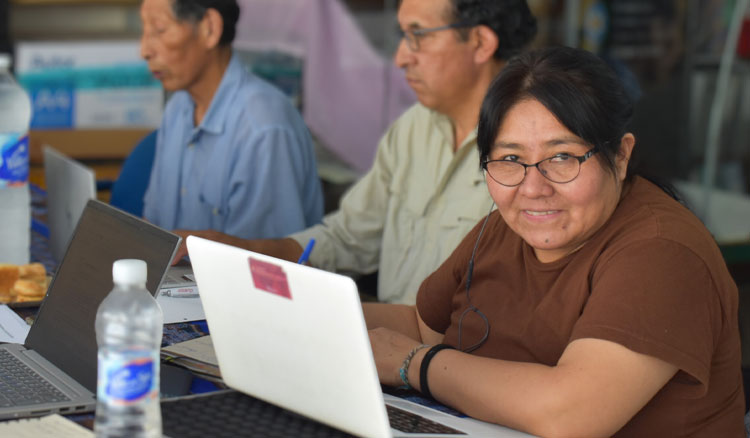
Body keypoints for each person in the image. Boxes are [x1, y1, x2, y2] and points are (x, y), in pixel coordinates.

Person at [365, 46, 745, 437]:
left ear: (620, 156)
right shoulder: (504, 228)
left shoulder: (664, 253)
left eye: (562, 157)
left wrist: (414, 364)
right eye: (510, 159)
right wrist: (313, 313)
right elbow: (422, 325)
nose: (533, 188)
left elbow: (570, 414)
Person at [172, 0, 538, 304]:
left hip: (461, 370)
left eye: (417, 36)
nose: (401, 58)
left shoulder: (532, 151)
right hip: (392, 360)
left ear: (480, 42)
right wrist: (239, 250)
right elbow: (347, 240)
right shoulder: (413, 129)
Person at [139, 0, 323, 238]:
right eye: (144, 32)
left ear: (210, 29)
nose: (144, 50)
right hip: (176, 274)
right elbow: (152, 227)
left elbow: (261, 267)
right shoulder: (177, 109)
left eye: (160, 30)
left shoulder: (263, 127)